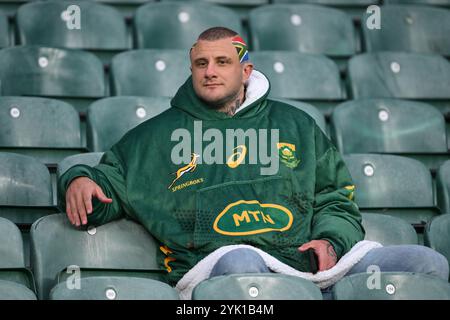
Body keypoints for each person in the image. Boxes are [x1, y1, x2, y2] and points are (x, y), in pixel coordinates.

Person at [59, 27, 448, 297]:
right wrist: (78, 179)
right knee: (243, 264)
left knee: (424, 263)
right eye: (201, 63)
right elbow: (106, 182)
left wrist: (331, 241)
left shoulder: (296, 125)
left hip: (312, 266)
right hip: (218, 268)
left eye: (222, 62)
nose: (210, 71)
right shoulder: (157, 136)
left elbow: (335, 196)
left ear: (245, 70)